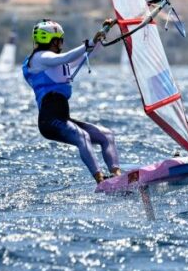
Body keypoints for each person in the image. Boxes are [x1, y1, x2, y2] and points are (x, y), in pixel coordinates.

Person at [22, 18, 122, 183]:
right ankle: (100, 179)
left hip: (63, 118)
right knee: (82, 137)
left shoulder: (54, 61)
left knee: (106, 135)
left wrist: (104, 32)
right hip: (49, 121)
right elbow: (66, 57)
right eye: (59, 40)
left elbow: (87, 53)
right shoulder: (39, 59)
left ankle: (117, 176)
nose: (62, 43)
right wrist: (89, 42)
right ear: (51, 40)